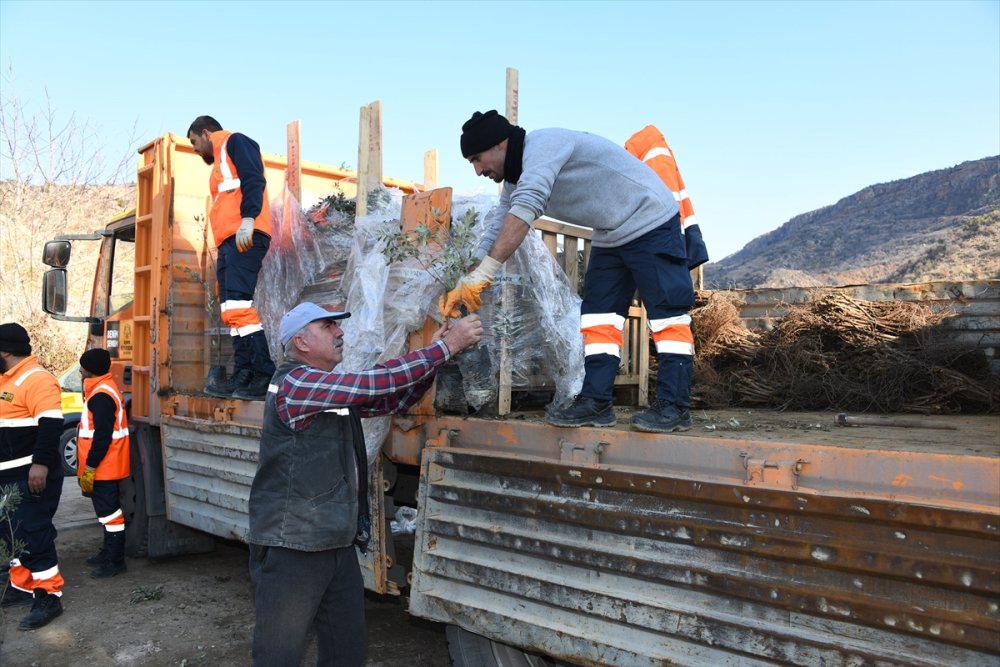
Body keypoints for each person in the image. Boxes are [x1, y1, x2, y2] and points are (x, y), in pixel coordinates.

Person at [247, 302, 483, 666]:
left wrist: (433, 359)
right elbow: (371, 384)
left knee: (347, 649)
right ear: (301, 343)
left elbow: (391, 397)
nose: (340, 332)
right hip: (294, 545)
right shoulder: (295, 384)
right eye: (328, 326)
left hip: (333, 542)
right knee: (279, 656)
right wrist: (444, 348)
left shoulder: (326, 390)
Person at [443, 110, 705, 433]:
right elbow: (499, 224)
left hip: (649, 218)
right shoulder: (515, 179)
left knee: (667, 315)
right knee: (598, 318)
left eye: (477, 158)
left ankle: (675, 406)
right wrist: (468, 279)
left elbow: (525, 210)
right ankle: (596, 402)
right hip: (611, 231)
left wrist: (486, 272)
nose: (477, 169)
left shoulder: (543, 147)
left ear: (499, 143)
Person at [187, 115, 275, 400]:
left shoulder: (235, 142)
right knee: (230, 311)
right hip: (230, 241)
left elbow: (254, 179)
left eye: (194, 142)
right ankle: (244, 373)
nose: (194, 149)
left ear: (205, 132)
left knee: (238, 306)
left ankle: (263, 373)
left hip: (245, 235)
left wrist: (249, 218)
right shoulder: (219, 165)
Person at [0, 323, 65, 630]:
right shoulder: (6, 378)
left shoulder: (37, 379)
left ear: (6, 351)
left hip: (29, 475)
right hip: (7, 475)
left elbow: (50, 427)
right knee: (11, 533)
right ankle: (22, 585)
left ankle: (49, 596)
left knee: (34, 533)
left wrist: (40, 465)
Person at [76, 348, 130, 578]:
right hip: (106, 466)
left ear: (89, 370)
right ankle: (109, 553)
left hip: (104, 467)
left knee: (110, 515)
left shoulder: (101, 396)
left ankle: (114, 561)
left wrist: (90, 465)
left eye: (82, 367)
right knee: (107, 514)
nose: (80, 371)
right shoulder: (102, 390)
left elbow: (102, 437)